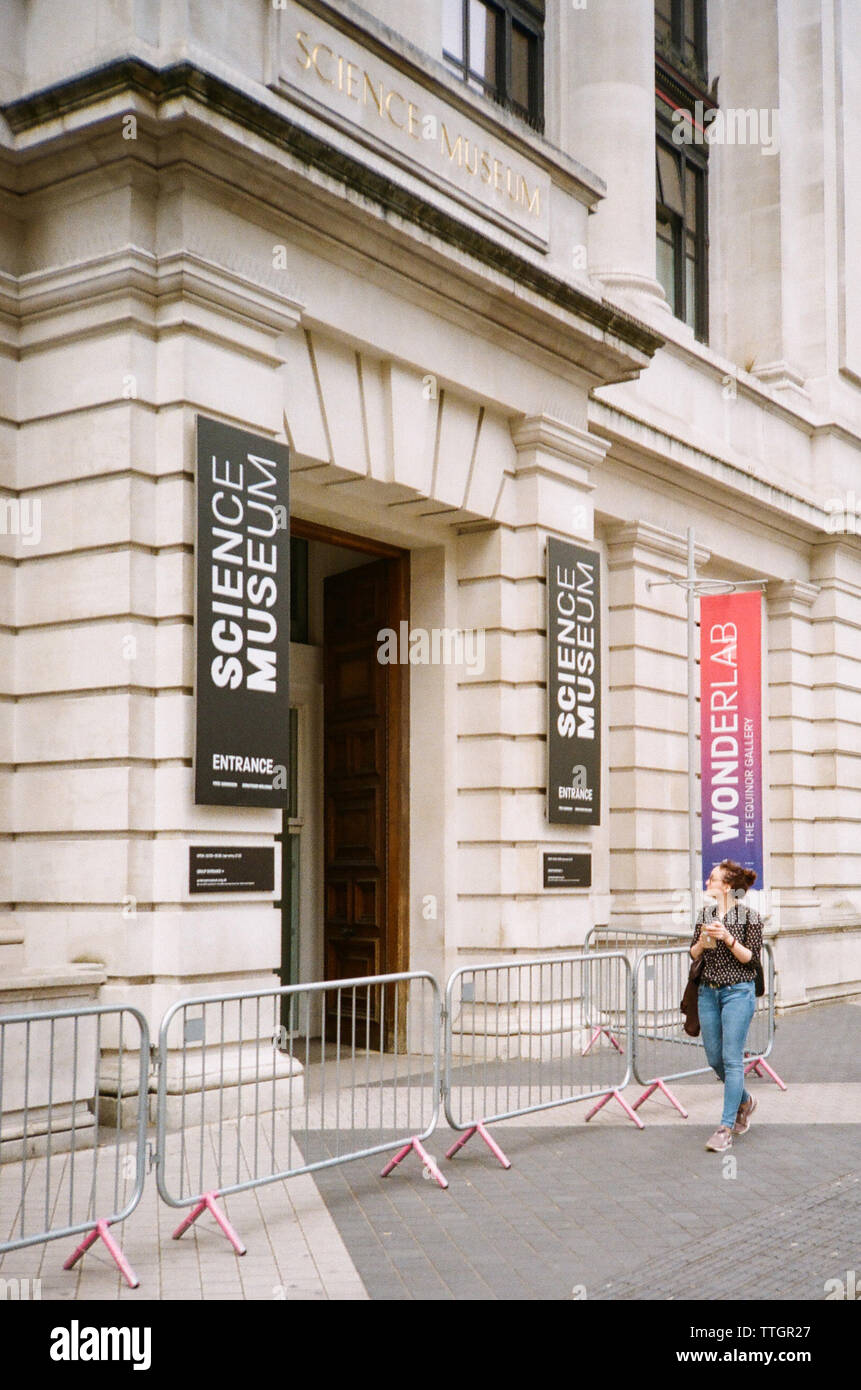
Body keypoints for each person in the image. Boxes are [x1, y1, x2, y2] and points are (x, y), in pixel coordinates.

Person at [690, 860, 763, 1152]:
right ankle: (746, 1100)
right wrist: (704, 941)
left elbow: (753, 960)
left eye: (712, 878)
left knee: (732, 1059)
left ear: (727, 887)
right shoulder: (705, 914)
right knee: (714, 1058)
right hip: (708, 992)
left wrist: (728, 938)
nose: (707, 882)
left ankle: (725, 1127)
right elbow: (693, 952)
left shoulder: (750, 918)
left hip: (738, 993)